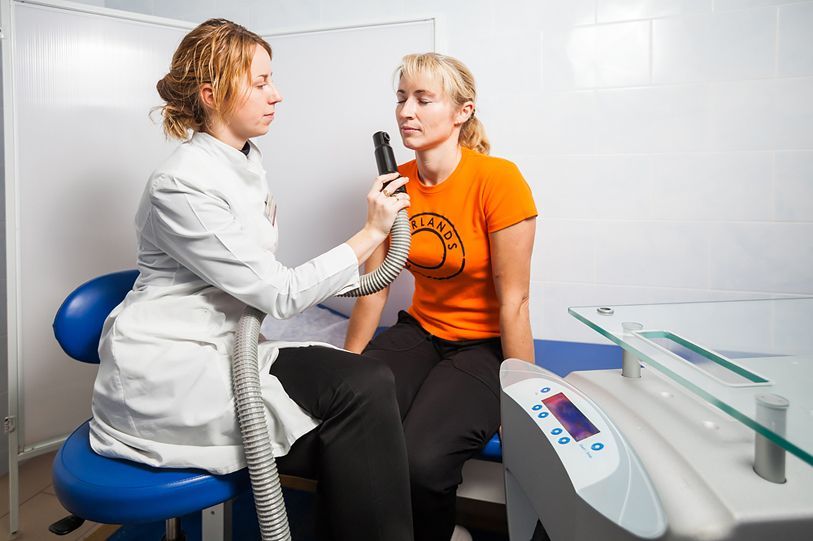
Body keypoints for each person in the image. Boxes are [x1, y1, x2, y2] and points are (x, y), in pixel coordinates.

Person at [89, 19, 413, 541]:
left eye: (271, 80)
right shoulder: (181, 183)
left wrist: (359, 256)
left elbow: (258, 278)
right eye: (260, 82)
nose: (276, 94)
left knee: (368, 382)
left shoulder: (243, 162)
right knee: (357, 406)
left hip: (227, 345)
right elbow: (280, 292)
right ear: (210, 94)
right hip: (171, 366)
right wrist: (372, 233)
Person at [345, 52, 537, 541]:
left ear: (462, 112)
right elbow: (375, 285)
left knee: (422, 461)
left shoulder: (499, 181)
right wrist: (348, 367)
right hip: (421, 331)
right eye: (401, 98)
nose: (406, 111)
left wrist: (523, 399)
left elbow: (514, 301)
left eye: (423, 99)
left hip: (483, 346)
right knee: (349, 430)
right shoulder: (395, 183)